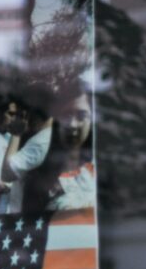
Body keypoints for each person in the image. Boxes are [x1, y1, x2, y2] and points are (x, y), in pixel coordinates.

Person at [23, 81, 95, 213]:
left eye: (81, 116)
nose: (73, 125)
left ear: (92, 119)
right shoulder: (39, 179)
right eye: (66, 115)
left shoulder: (101, 170)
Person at [0, 102, 53, 214]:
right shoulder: (47, 137)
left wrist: (16, 133)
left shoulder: (41, 141)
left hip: (29, 219)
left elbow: (7, 173)